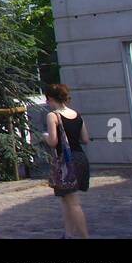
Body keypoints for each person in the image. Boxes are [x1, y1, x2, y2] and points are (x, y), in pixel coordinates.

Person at [44, 83, 91, 238]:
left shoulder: (53, 116)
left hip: (66, 162)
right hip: (80, 158)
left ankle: (85, 237)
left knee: (73, 203)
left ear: (50, 98)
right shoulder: (77, 114)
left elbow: (53, 141)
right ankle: (68, 234)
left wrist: (44, 137)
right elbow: (85, 139)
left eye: (47, 99)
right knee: (66, 199)